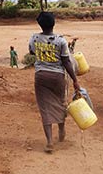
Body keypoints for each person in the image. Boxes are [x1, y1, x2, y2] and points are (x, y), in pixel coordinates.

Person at [29, 12, 80, 153]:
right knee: (61, 102)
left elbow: (32, 52)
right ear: (54, 23)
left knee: (44, 108)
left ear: (40, 24)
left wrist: (43, 53)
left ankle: (50, 142)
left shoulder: (34, 38)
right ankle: (62, 128)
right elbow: (66, 61)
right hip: (58, 77)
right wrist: (75, 80)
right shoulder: (61, 41)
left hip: (40, 77)